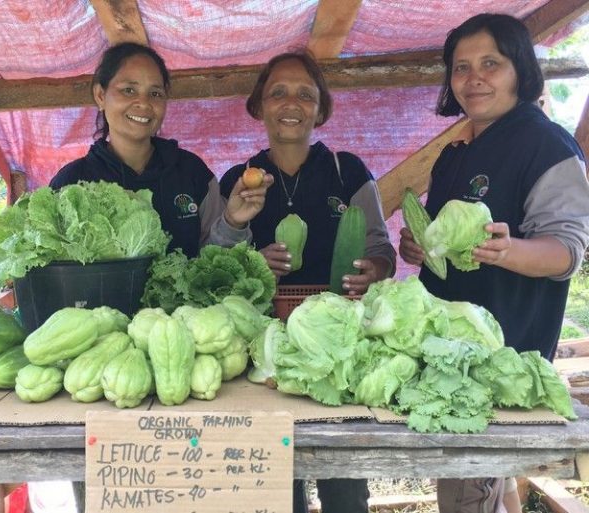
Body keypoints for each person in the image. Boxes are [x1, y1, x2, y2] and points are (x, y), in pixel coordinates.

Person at [399, 13, 589, 513]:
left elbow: (567, 251)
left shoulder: (547, 145)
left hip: (499, 362)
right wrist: (418, 248)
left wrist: (510, 251)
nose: (473, 78)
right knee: (491, 487)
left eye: (491, 63)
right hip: (450, 357)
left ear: (520, 70)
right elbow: (439, 250)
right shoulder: (456, 154)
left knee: (465, 495)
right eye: (461, 68)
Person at [220, 50, 396, 513]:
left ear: (321, 108)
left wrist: (371, 271)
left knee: (344, 485)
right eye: (278, 92)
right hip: (264, 351)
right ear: (259, 106)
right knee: (274, 484)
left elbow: (382, 249)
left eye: (305, 93)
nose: (291, 102)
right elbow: (210, 260)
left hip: (338, 345)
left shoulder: (348, 172)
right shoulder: (237, 181)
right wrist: (250, 261)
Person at [50, 42, 272, 258]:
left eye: (155, 93)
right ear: (100, 95)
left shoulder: (192, 172)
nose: (143, 103)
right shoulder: (71, 184)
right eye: (129, 90)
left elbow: (218, 267)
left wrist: (233, 221)